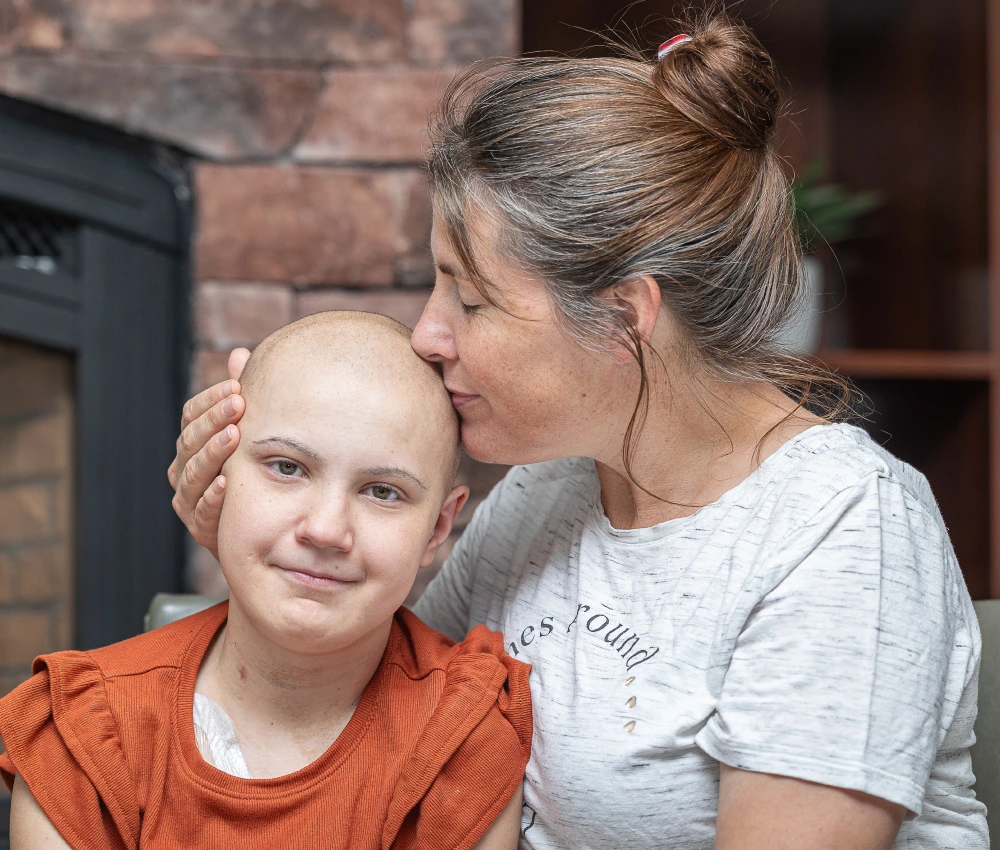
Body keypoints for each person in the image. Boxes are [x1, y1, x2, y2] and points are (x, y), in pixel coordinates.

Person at [166, 12, 988, 850]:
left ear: (624, 317)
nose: (426, 335)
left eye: (470, 299)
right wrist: (257, 543)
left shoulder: (846, 531)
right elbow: (378, 720)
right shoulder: (551, 490)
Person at [0, 312, 531, 850]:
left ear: (439, 524)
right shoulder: (84, 734)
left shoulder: (464, 734)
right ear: (217, 470)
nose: (326, 530)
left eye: (382, 492)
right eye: (286, 467)